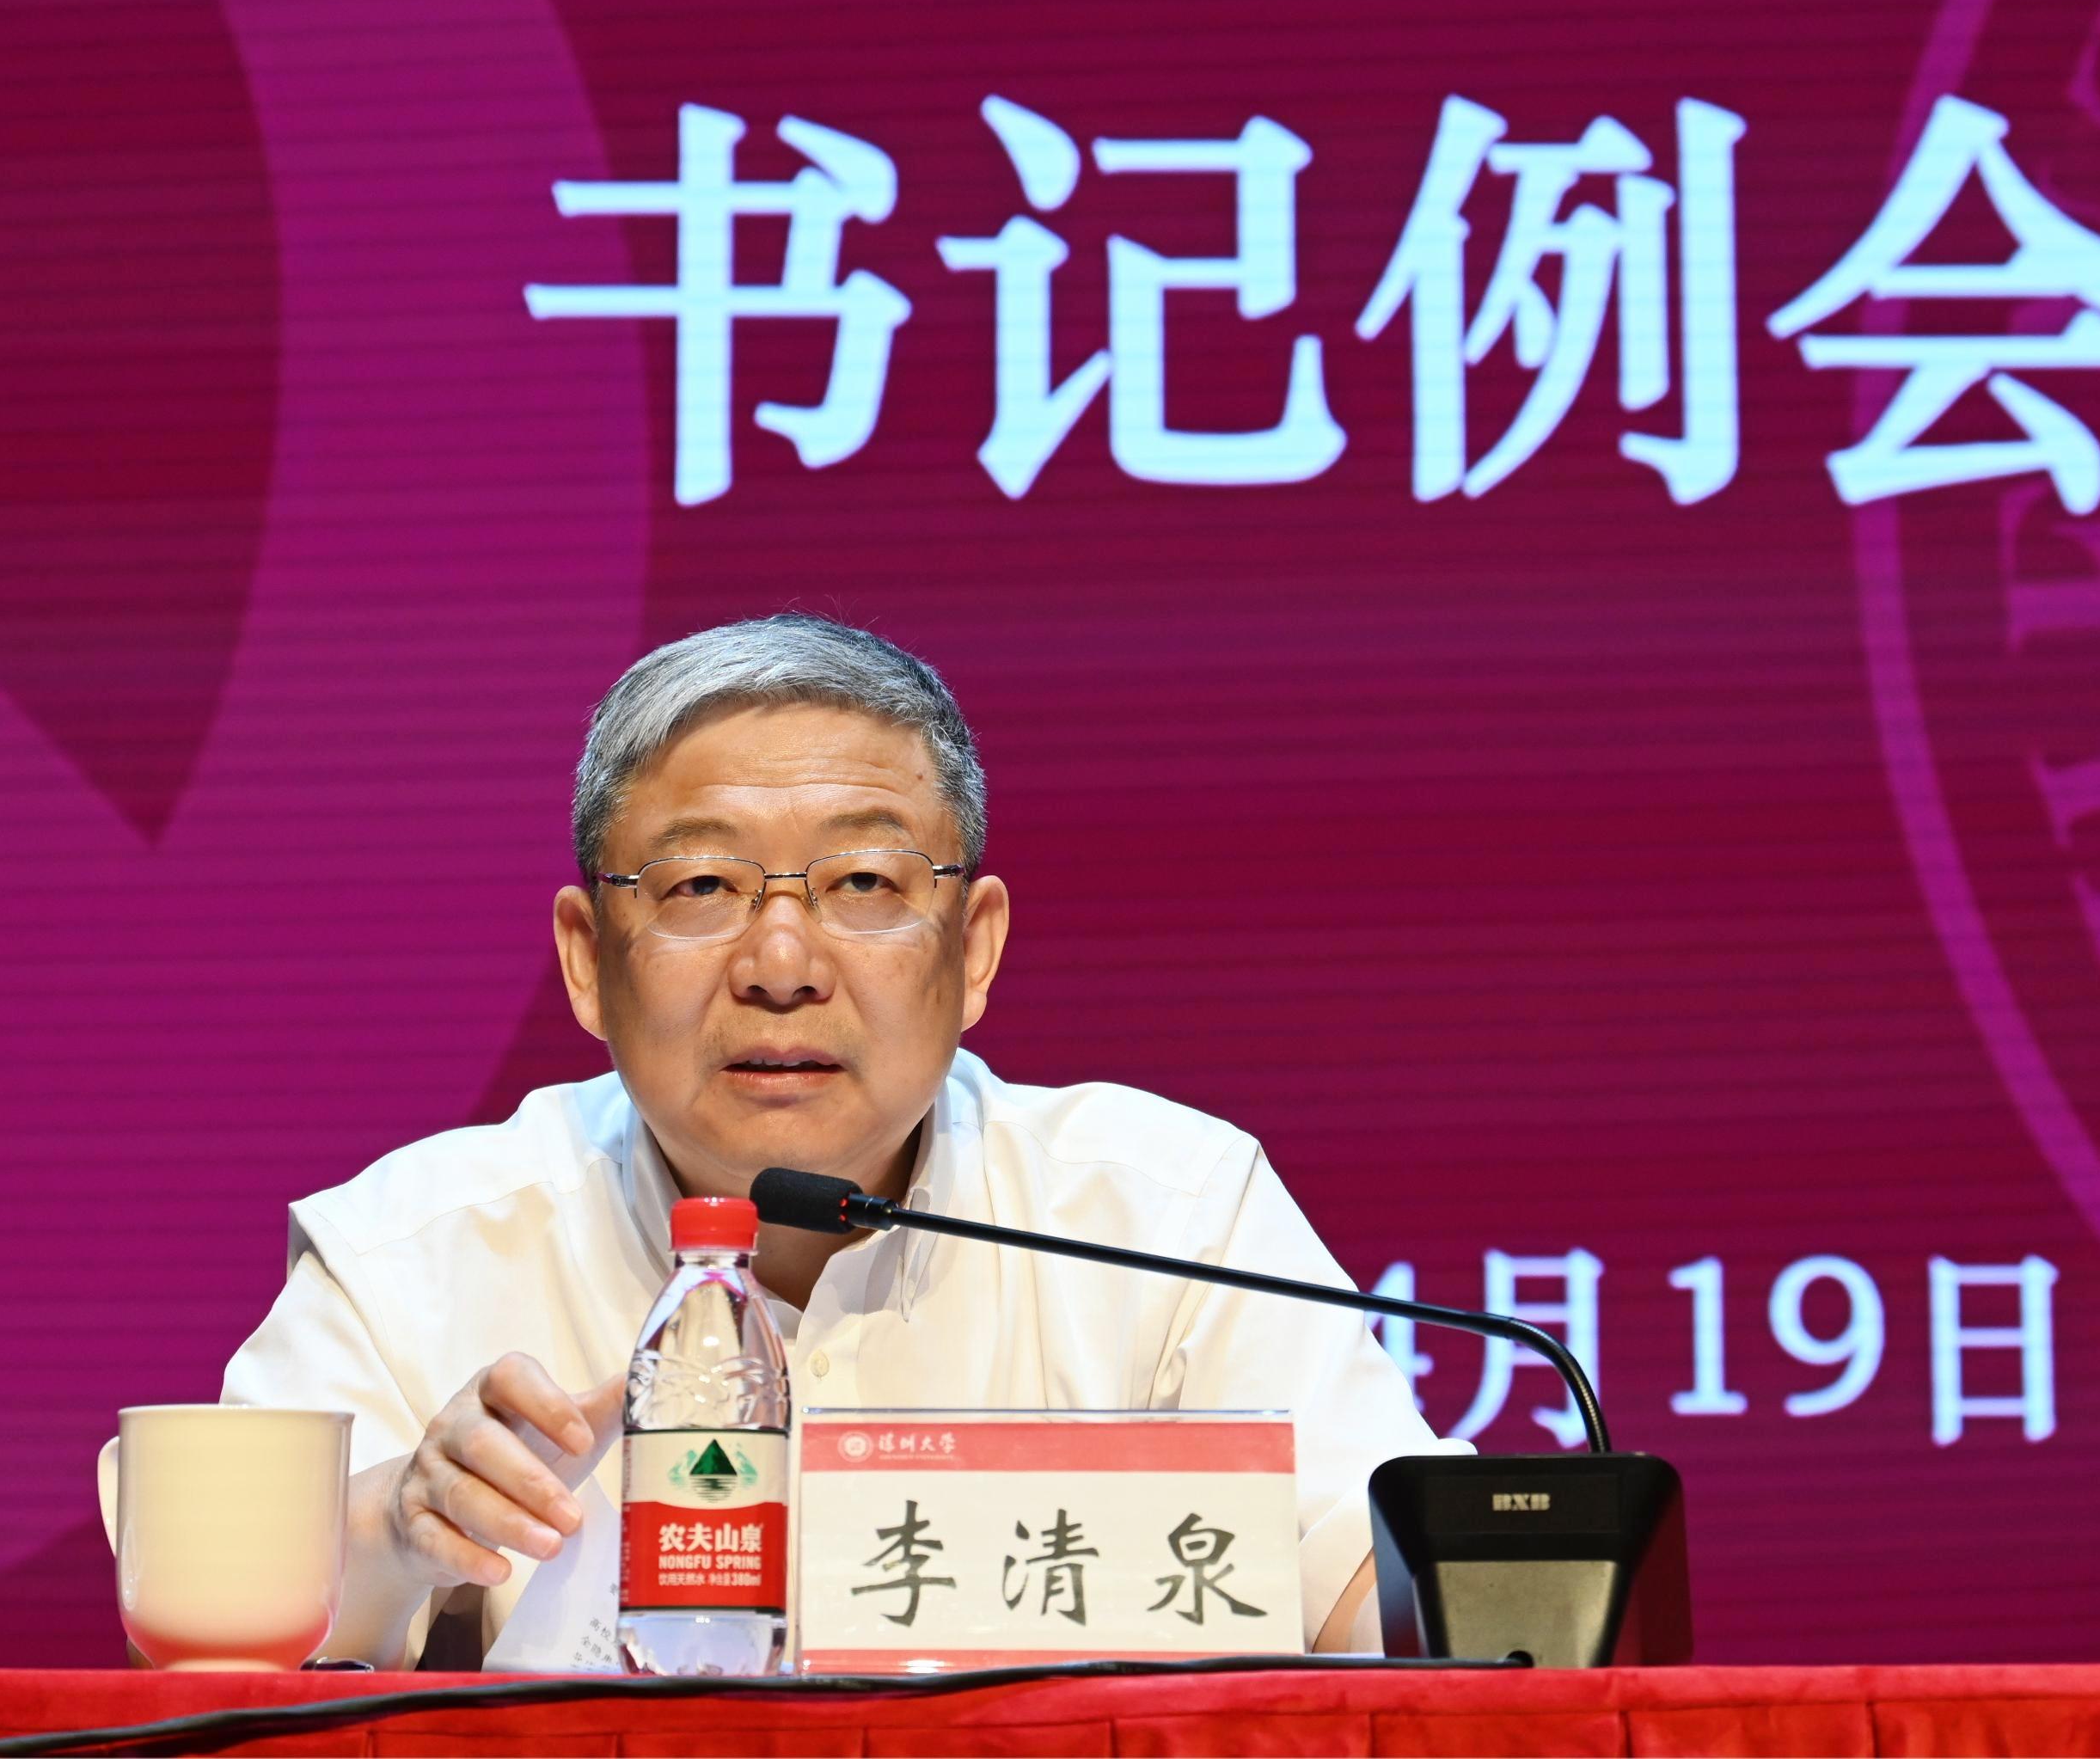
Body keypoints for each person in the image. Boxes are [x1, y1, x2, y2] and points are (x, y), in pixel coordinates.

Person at [223, 614, 1442, 1669]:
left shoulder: (1167, 1218)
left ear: (974, 949)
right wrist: (395, 1532)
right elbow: (210, 1647)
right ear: (588, 961)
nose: (782, 964)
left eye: (863, 883)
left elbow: (1402, 1616)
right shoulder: (415, 1253)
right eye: (702, 887)